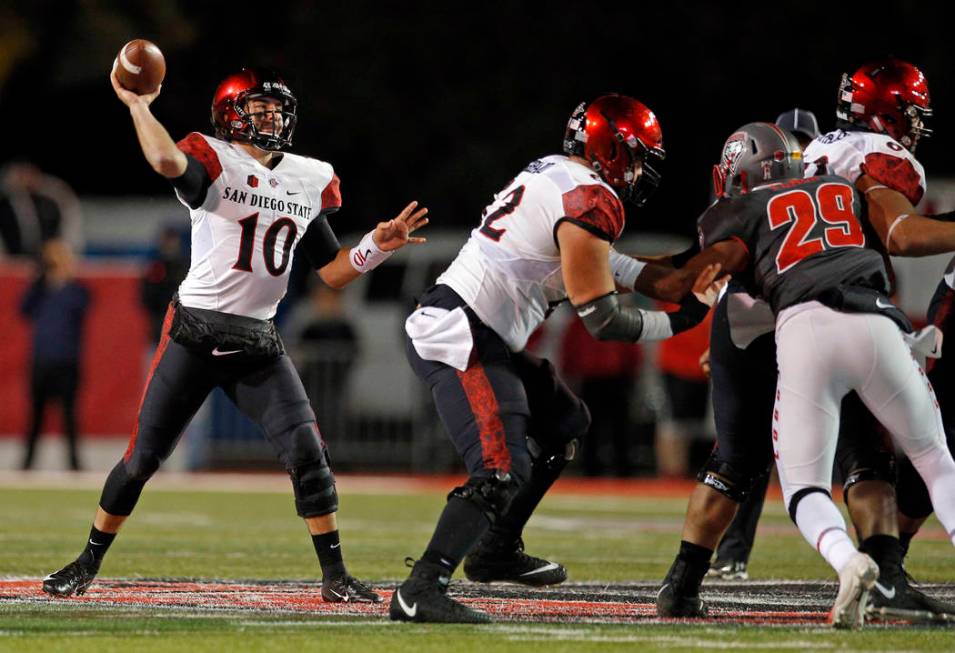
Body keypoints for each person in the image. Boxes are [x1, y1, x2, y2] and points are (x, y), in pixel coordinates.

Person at [41, 64, 428, 603]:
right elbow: (163, 159)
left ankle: (336, 578)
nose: (272, 118)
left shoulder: (308, 177)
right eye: (259, 109)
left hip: (258, 342)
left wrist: (379, 246)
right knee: (142, 459)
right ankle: (86, 562)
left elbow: (334, 270)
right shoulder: (213, 157)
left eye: (278, 110)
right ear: (230, 116)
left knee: (308, 453)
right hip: (195, 334)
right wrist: (138, 106)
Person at [394, 94, 724, 623]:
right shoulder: (589, 199)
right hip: (461, 332)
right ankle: (421, 587)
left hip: (484, 332)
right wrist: (683, 320)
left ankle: (496, 547)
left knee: (564, 422)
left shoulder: (557, 179)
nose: (641, 172)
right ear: (608, 149)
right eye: (637, 157)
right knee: (500, 467)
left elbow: (633, 270)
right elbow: (604, 319)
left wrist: (702, 262)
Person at [659, 61, 955, 621]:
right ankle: (883, 576)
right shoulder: (868, 160)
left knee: (754, 459)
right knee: (868, 453)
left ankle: (684, 581)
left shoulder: (809, 158)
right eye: (911, 115)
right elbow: (898, 233)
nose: (917, 127)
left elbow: (704, 270)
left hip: (767, 312)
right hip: (833, 305)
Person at [706, 108, 822, 580]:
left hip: (814, 315)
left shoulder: (828, 189)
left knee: (839, 445)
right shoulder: (762, 199)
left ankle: (878, 553)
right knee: (748, 444)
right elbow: (729, 271)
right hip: (773, 319)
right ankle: (732, 551)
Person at [20, 239, 90, 470]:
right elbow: (23, 309)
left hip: (66, 361)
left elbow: (83, 304)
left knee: (69, 417)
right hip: (42, 360)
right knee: (36, 417)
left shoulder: (75, 291)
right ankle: (27, 464)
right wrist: (40, 280)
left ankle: (74, 464)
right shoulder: (40, 290)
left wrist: (65, 278)